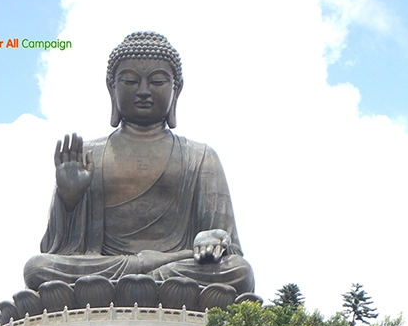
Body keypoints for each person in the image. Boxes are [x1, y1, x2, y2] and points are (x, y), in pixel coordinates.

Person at [21, 32, 256, 311]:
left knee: (239, 271)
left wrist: (213, 239)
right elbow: (56, 250)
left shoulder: (201, 157)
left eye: (157, 82)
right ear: (112, 88)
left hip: (175, 270)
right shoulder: (88, 154)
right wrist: (69, 199)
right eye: (130, 81)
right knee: (37, 268)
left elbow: (228, 248)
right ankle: (144, 278)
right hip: (108, 268)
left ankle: (143, 279)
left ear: (177, 89)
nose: (144, 91)